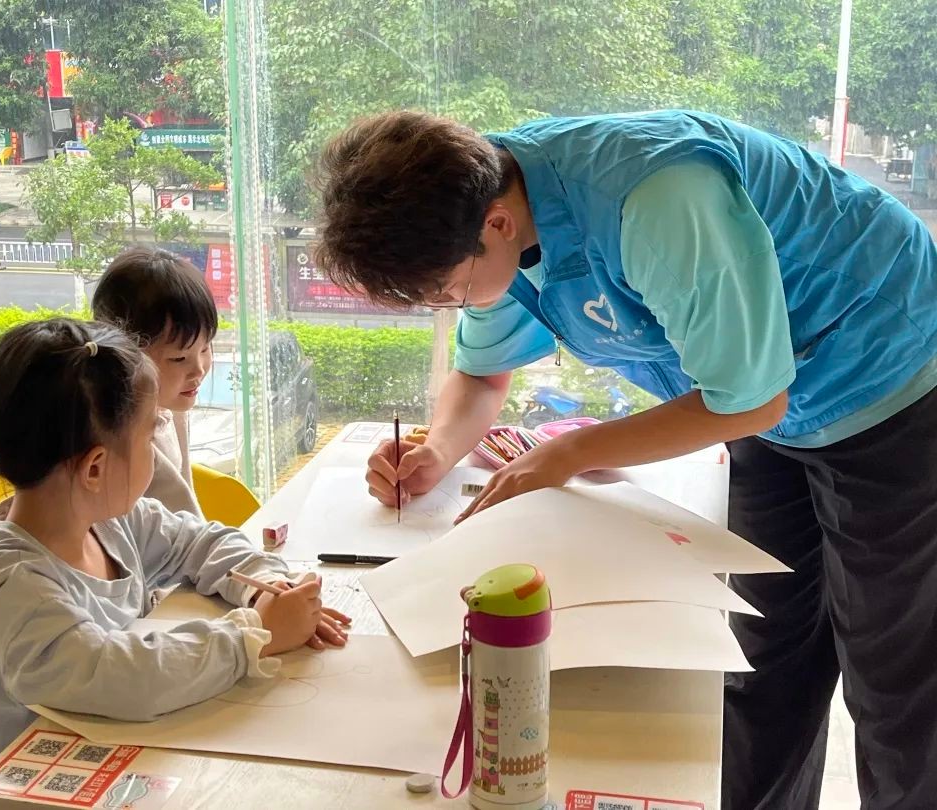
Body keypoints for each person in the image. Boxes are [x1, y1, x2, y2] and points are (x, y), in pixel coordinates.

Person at [314, 109, 937, 810]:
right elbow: (483, 374)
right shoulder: (484, 206)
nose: (448, 306)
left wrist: (571, 451)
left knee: (892, 676)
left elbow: (753, 401)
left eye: (446, 292)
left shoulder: (657, 199)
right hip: (765, 398)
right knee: (762, 654)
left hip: (889, 370)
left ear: (497, 224)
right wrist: (436, 449)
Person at [0, 318, 350, 810]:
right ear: (95, 467)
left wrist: (264, 587)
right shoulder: (13, 582)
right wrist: (254, 635)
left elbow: (199, 542)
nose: (155, 450)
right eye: (151, 438)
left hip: (103, 774)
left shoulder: (109, 522)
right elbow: (119, 676)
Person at [93, 246, 216, 517]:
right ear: (124, 354)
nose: (199, 369)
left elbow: (188, 517)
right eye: (179, 358)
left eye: (206, 348)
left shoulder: (170, 405)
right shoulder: (123, 442)